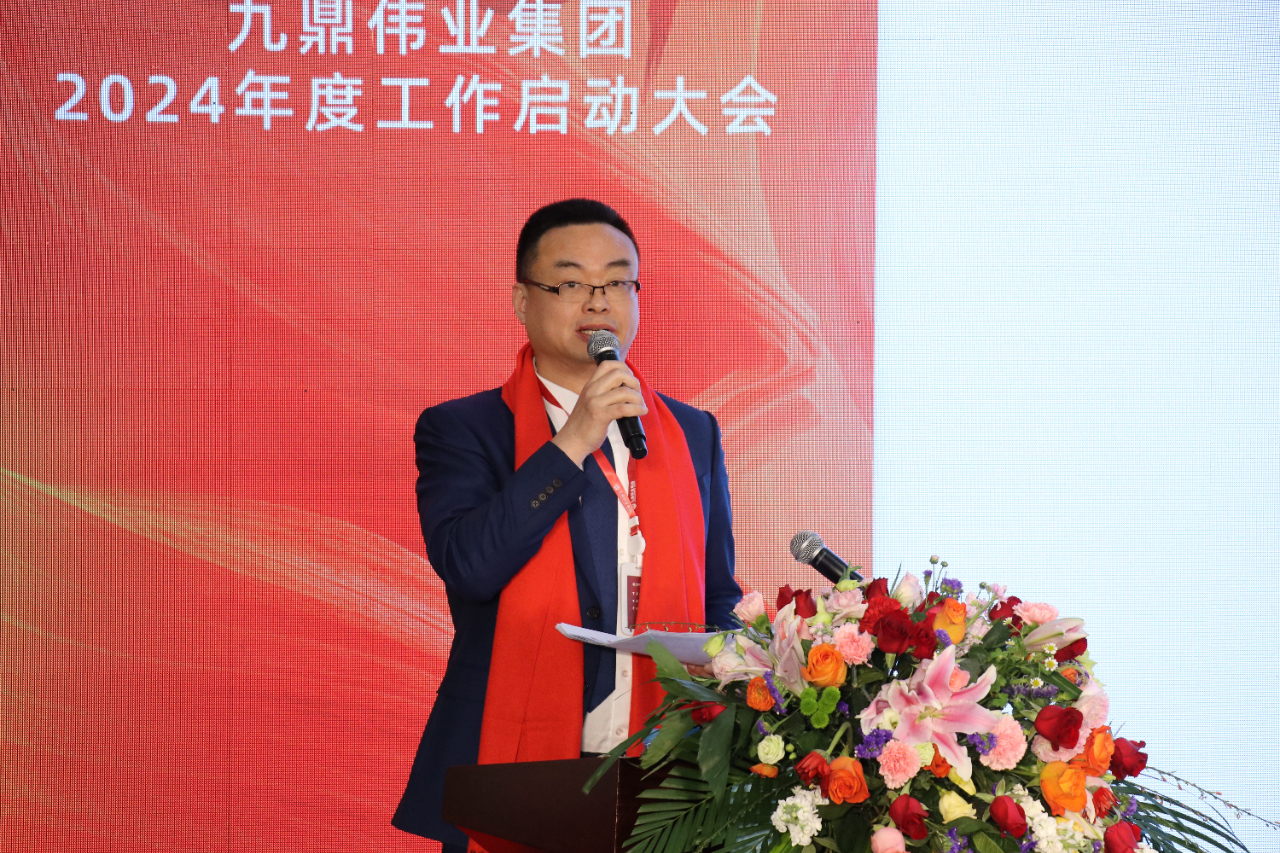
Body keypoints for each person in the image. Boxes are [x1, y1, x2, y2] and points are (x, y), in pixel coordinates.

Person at [392, 199, 742, 849]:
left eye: (617, 281)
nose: (598, 301)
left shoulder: (692, 433)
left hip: (669, 768)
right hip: (514, 770)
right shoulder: (464, 429)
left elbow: (718, 592)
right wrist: (573, 439)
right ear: (523, 301)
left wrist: (735, 662)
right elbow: (469, 565)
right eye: (572, 283)